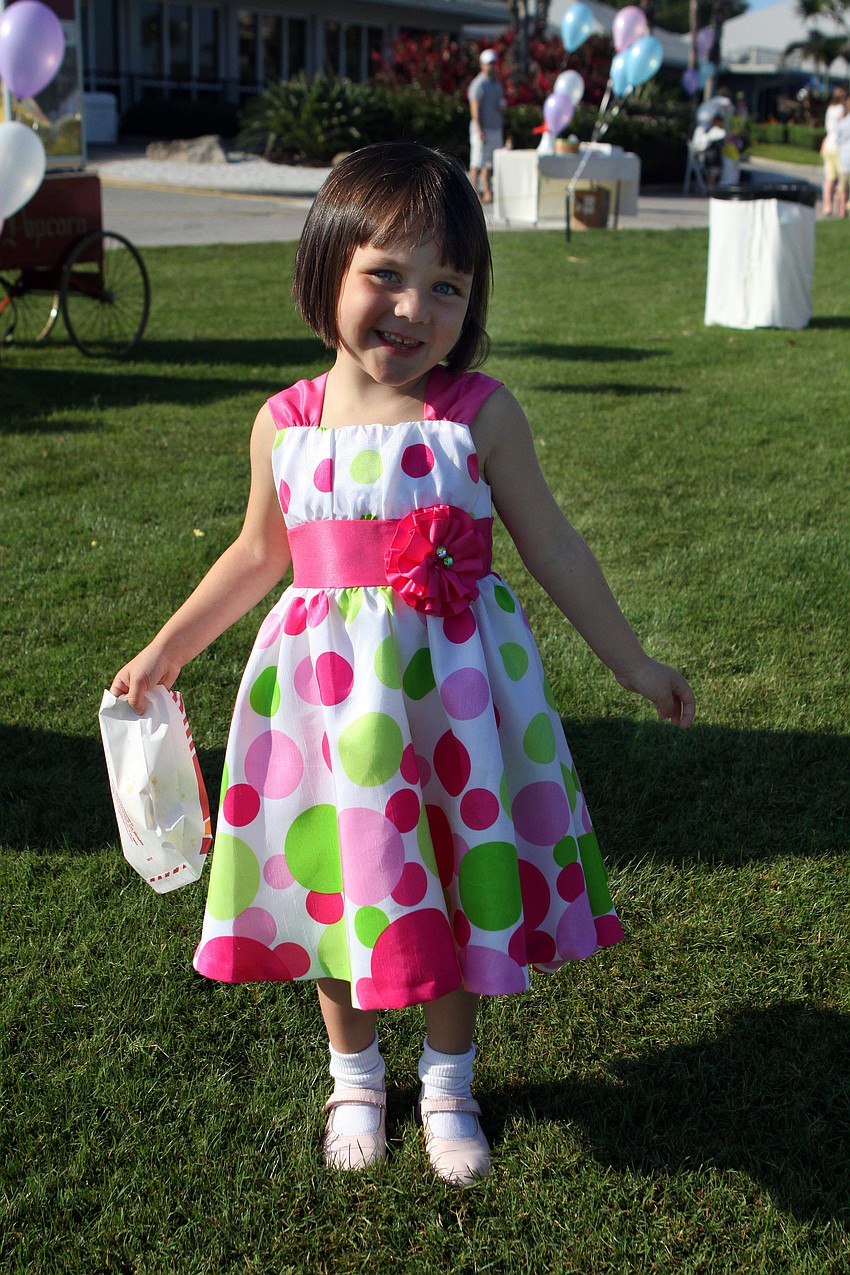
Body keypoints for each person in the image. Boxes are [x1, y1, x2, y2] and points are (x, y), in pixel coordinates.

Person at [109, 142, 695, 1187]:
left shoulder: (478, 416)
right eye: (385, 273)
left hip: (457, 710)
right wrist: (164, 650)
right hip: (324, 710)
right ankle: (355, 1075)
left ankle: (449, 1077)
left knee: (455, 877)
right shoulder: (285, 425)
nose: (413, 308)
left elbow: (552, 544)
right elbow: (256, 555)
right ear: (325, 268)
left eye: (447, 287)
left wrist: (632, 662)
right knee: (338, 884)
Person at [467, 48, 506, 204]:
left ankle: (488, 192)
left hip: (495, 128)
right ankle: (473, 194)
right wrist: (479, 128)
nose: (491, 66)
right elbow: (474, 108)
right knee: (477, 162)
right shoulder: (478, 84)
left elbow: (497, 105)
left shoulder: (496, 84)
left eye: (493, 63)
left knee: (489, 163)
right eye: (488, 63)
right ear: (482, 64)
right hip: (481, 129)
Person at [822, 88, 847, 217]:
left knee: (829, 179)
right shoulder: (841, 110)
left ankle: (827, 205)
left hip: (829, 144)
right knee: (841, 179)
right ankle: (840, 208)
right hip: (838, 146)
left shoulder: (830, 109)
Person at [835, 104, 850, 219]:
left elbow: (838, 140)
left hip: (845, 156)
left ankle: (841, 210)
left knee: (843, 186)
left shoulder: (843, 122)